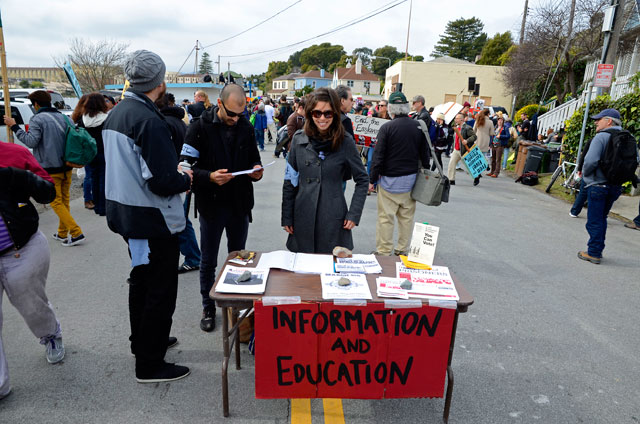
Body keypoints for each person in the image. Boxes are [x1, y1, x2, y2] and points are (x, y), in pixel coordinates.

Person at [103, 50, 192, 383]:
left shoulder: (119, 112)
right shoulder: (148, 120)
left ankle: (144, 342)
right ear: (160, 81)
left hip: (127, 213)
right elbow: (162, 181)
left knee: (141, 282)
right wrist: (186, 178)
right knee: (159, 288)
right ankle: (149, 362)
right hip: (151, 218)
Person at [181, 83, 263, 332]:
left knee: (239, 259)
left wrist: (256, 172)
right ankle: (208, 305)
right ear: (219, 104)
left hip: (239, 204)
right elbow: (184, 167)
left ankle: (236, 306)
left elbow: (254, 160)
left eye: (240, 114)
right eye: (231, 114)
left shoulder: (246, 127)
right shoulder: (198, 127)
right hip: (211, 204)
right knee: (208, 260)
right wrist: (209, 177)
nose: (235, 119)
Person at [0, 142, 65, 401]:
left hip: (21, 249)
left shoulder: (14, 153)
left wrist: (15, 176)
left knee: (32, 307)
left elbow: (48, 192)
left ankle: (51, 334)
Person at [282, 87, 368, 253]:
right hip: (302, 217)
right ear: (310, 114)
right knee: (302, 274)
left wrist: (354, 214)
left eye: (328, 113)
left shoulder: (345, 141)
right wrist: (287, 216)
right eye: (317, 113)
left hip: (334, 219)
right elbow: (289, 181)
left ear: (335, 114)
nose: (322, 118)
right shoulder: (299, 140)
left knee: (331, 274)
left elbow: (362, 179)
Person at [3, 90, 86, 246]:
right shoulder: (64, 117)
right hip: (67, 166)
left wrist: (15, 127)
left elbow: (31, 141)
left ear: (36, 104)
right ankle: (62, 233)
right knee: (64, 200)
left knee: (55, 201)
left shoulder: (37, 119)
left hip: (50, 167)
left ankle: (76, 232)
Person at [368, 91, 431, 256]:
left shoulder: (386, 128)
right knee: (406, 218)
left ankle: (384, 250)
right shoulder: (418, 126)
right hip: (410, 181)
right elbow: (425, 155)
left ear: (391, 109)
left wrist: (372, 179)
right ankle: (402, 249)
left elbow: (378, 157)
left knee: (385, 218)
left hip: (388, 180)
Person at [155, 93, 202, 274]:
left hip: (176, 175)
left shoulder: (163, 123)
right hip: (184, 172)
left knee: (178, 219)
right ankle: (192, 256)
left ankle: (192, 257)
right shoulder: (180, 122)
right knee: (181, 218)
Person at [578, 108, 627, 264]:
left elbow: (590, 161)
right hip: (615, 186)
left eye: (599, 119)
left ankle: (594, 252)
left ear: (609, 121)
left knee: (594, 220)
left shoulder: (601, 137)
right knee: (602, 218)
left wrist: (587, 177)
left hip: (598, 185)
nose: (596, 122)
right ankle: (597, 249)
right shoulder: (628, 138)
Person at [81, 93, 109, 216]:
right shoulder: (106, 118)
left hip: (89, 154)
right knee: (103, 180)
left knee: (93, 179)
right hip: (103, 152)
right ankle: (103, 207)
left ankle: (97, 205)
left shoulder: (83, 119)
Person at [71, 96, 94, 210]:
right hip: (88, 151)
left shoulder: (79, 118)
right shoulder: (83, 119)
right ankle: (88, 199)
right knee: (89, 176)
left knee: (90, 175)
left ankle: (90, 198)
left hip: (88, 150)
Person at [447, 112, 479, 186]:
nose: (455, 120)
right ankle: (451, 179)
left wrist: (467, 141)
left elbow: (474, 136)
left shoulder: (467, 128)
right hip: (456, 150)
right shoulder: (456, 127)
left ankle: (476, 176)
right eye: (455, 118)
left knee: (469, 166)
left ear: (461, 120)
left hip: (464, 150)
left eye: (457, 118)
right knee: (451, 164)